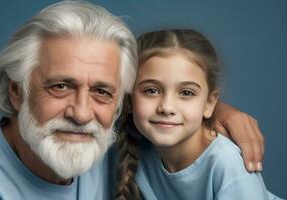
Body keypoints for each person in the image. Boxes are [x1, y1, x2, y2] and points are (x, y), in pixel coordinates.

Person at [0, 1, 264, 199]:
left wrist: (218, 111)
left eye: (102, 91)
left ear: (122, 101)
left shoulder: (117, 139)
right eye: (61, 86)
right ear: (17, 90)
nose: (81, 114)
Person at [116, 29, 281, 200]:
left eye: (186, 93)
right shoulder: (132, 146)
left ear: (210, 103)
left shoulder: (225, 161)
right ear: (129, 97)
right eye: (151, 90)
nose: (167, 107)